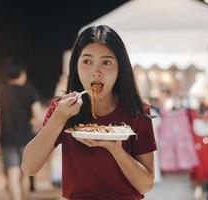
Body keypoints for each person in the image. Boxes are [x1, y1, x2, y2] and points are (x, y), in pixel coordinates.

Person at [22, 25, 157, 199]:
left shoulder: (136, 111)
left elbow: (146, 184)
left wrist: (116, 149)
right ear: (76, 66)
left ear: (120, 68)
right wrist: (59, 118)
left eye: (106, 62)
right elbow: (29, 167)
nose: (96, 72)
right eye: (87, 61)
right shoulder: (62, 109)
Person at [0, 59, 44, 200]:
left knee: (12, 177)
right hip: (26, 139)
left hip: (8, 139)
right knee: (23, 176)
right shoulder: (30, 91)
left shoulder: (0, 92)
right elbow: (39, 117)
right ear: (22, 74)